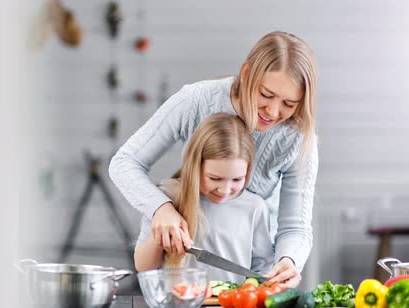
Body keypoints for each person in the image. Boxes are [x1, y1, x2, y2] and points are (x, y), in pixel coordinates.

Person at [109, 31, 318, 288]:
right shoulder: (196, 101)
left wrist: (289, 261)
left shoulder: (297, 138)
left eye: (289, 103)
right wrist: (160, 209)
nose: (273, 111)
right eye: (265, 94)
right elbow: (124, 162)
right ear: (246, 73)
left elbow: (295, 225)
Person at [134, 113, 274, 282]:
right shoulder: (166, 198)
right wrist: (160, 237)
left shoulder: (255, 207)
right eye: (215, 178)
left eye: (237, 179)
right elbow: (143, 266)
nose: (224, 190)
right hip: (179, 304)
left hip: (233, 305)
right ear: (195, 167)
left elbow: (262, 267)